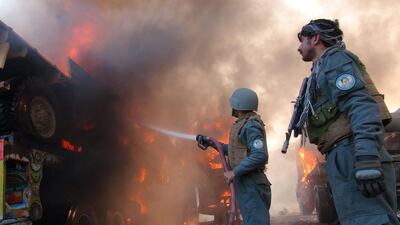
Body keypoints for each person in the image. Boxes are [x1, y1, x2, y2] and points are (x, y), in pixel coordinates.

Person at [295, 19, 398, 225]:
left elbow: (361, 107)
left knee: (369, 220)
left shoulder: (336, 61)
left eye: (302, 40)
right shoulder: (322, 67)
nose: (299, 47)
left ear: (315, 38)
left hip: (351, 152)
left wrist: (366, 157)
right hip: (341, 155)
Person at [197, 88, 271, 225]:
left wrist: (234, 172)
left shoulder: (251, 126)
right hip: (245, 182)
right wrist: (213, 143)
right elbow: (235, 150)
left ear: (239, 106)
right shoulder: (243, 124)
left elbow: (260, 155)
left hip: (252, 183)